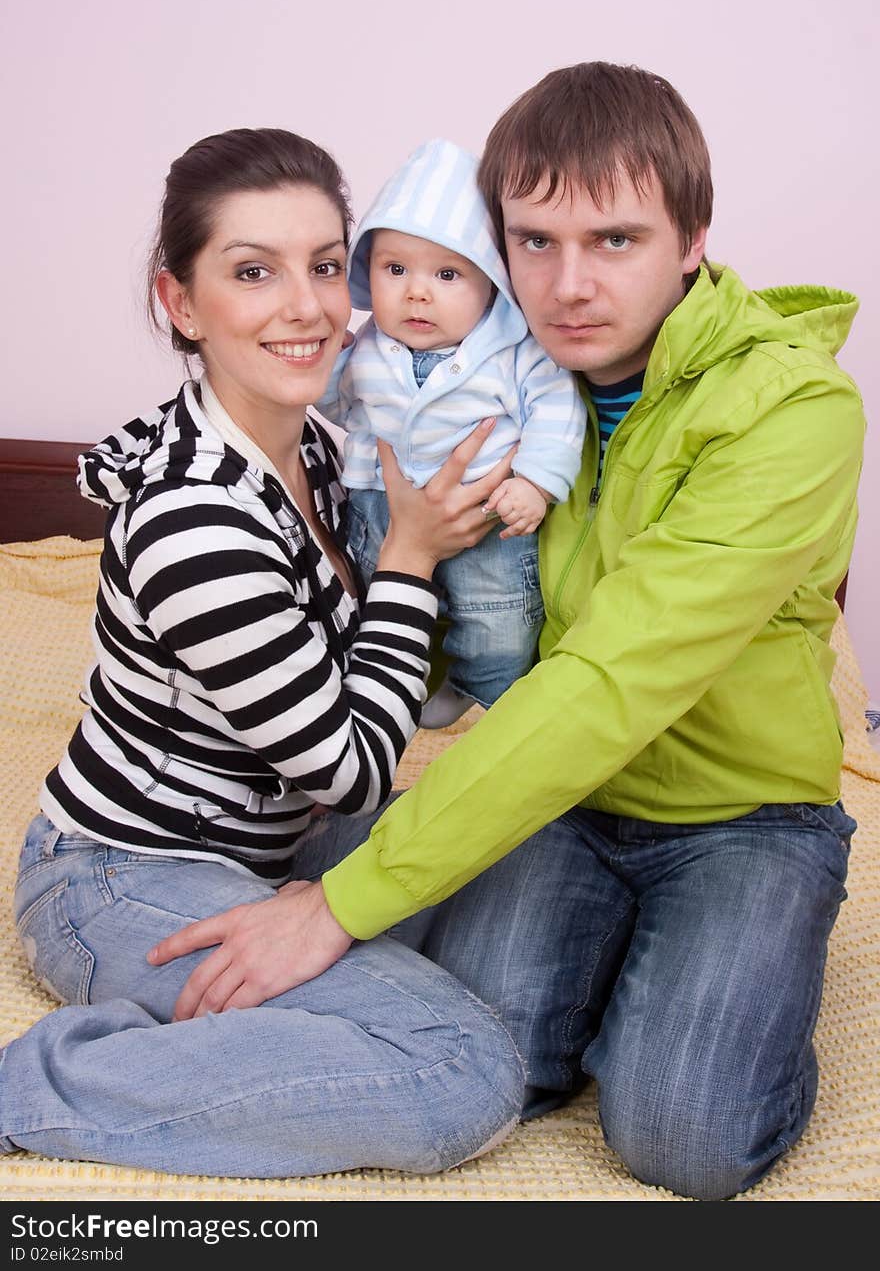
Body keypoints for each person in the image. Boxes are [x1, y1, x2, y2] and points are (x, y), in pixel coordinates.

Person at [151, 65, 865, 1201]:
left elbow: (606, 682)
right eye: (533, 242)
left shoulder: (795, 411)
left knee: (681, 1138)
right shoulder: (519, 378)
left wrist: (339, 903)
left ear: (691, 238)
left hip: (742, 815)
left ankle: (740, 983)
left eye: (616, 239)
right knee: (495, 1066)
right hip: (567, 804)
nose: (569, 285)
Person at [1, 127, 526, 1176]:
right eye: (254, 272)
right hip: (121, 872)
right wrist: (412, 560)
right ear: (181, 303)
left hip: (274, 848)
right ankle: (38, 1083)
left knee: (532, 864)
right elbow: (351, 767)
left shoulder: (324, 447)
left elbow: (393, 698)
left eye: (328, 265)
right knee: (461, 1065)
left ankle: (208, 1041)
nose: (308, 306)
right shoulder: (194, 518)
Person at [318, 137, 585, 728]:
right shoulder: (367, 347)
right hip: (378, 503)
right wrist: (326, 363)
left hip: (488, 513)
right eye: (395, 269)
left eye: (447, 273)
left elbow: (558, 411)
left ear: (491, 281)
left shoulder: (515, 350)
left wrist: (536, 484)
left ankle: (479, 687)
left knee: (499, 620)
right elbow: (339, 407)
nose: (417, 291)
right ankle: (388, 682)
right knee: (368, 598)